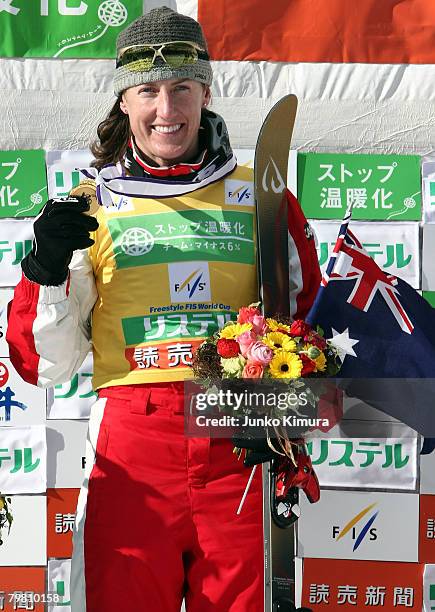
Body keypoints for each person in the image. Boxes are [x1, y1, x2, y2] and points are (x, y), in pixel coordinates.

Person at [6, 7, 265, 612]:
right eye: (147, 91)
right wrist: (45, 270)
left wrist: (293, 412)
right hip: (133, 447)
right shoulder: (89, 205)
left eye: (181, 89)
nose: (166, 111)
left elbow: (309, 322)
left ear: (206, 90)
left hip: (238, 441)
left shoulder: (262, 195)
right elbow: (45, 366)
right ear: (124, 101)